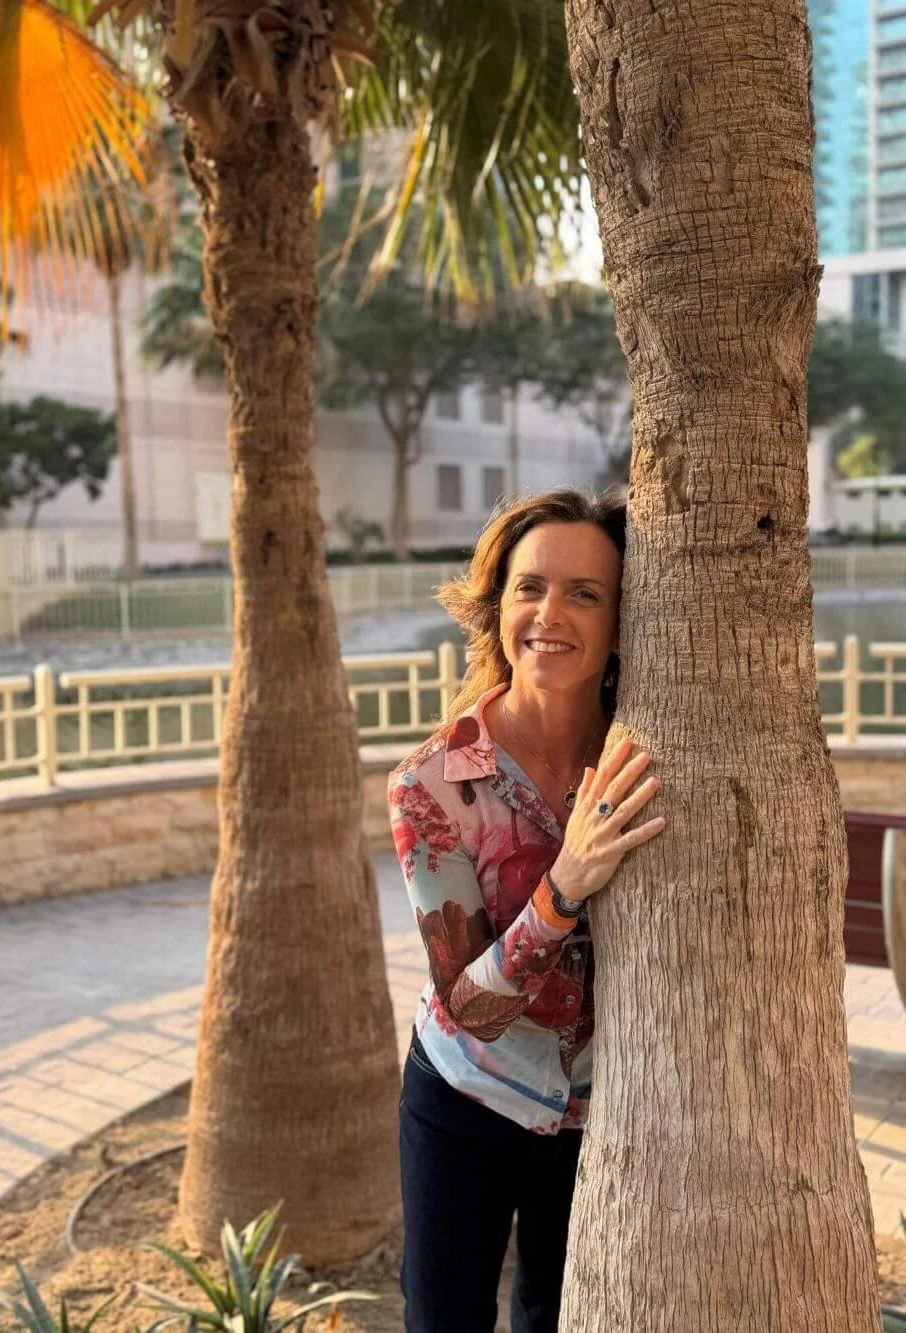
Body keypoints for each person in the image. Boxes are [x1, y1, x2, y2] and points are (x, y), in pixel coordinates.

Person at [388, 487, 667, 1333]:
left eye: (586, 592)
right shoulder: (432, 785)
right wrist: (566, 881)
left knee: (560, 1318)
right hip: (464, 1098)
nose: (552, 612)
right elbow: (469, 1004)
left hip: (599, 1113)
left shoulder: (649, 755)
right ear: (497, 606)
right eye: (530, 587)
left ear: (620, 623)